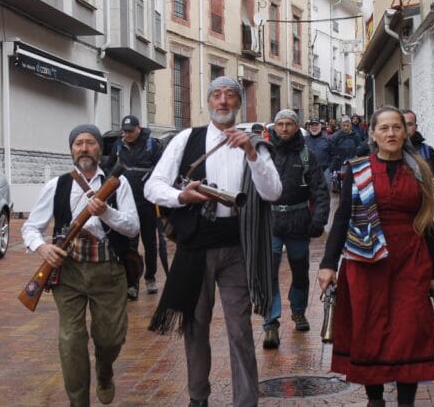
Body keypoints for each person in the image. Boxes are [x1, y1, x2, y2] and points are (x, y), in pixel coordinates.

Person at [144, 76, 281, 407]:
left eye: (230, 96)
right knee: (195, 325)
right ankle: (198, 397)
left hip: (238, 246)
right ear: (208, 102)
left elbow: (272, 192)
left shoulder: (255, 144)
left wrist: (251, 152)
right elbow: (152, 187)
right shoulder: (186, 139)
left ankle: (246, 400)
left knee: (240, 329)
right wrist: (181, 195)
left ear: (238, 103)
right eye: (216, 95)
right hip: (195, 245)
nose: (222, 101)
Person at [318, 106, 434, 407]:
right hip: (366, 263)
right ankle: (375, 400)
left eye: (397, 127)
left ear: (405, 132)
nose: (391, 133)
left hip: (410, 261)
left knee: (410, 328)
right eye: (384, 128)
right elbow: (342, 217)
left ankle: (406, 402)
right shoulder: (357, 170)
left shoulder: (419, 170)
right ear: (372, 133)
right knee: (369, 328)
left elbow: (426, 224)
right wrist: (327, 264)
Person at [21, 124, 140, 407]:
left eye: (90, 142)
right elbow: (30, 228)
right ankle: (78, 402)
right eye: (78, 143)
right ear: (71, 150)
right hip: (69, 272)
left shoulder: (118, 183)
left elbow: (133, 227)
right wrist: (42, 247)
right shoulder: (57, 185)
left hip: (108, 271)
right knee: (71, 341)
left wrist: (106, 212)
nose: (84, 148)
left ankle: (105, 372)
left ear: (100, 148)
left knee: (110, 339)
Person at [262, 109, 330, 349]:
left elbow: (320, 191)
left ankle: (298, 310)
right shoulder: (264, 153)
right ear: (274, 127)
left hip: (298, 221)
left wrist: (318, 220)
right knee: (268, 271)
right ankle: (270, 322)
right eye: (279, 124)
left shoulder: (307, 155)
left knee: (300, 270)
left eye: (289, 124)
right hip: (270, 222)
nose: (284, 128)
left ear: (296, 126)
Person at [107, 115, 163, 299]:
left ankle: (151, 278)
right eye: (125, 131)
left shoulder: (151, 145)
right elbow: (109, 171)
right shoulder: (117, 146)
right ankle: (132, 283)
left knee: (150, 242)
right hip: (126, 202)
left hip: (147, 202)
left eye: (131, 130)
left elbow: (162, 169)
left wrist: (150, 183)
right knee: (130, 244)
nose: (127, 134)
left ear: (139, 128)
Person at [402, 110, 434, 195]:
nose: (406, 128)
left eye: (409, 124)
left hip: (423, 205)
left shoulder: (427, 151)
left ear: (416, 126)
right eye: (402, 124)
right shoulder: (389, 150)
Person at [304, 118, 336, 188]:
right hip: (309, 173)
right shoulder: (304, 140)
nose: (314, 127)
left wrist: (329, 169)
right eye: (312, 125)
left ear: (320, 127)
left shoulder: (327, 139)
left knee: (324, 194)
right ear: (309, 127)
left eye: (316, 125)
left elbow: (334, 155)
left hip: (324, 172)